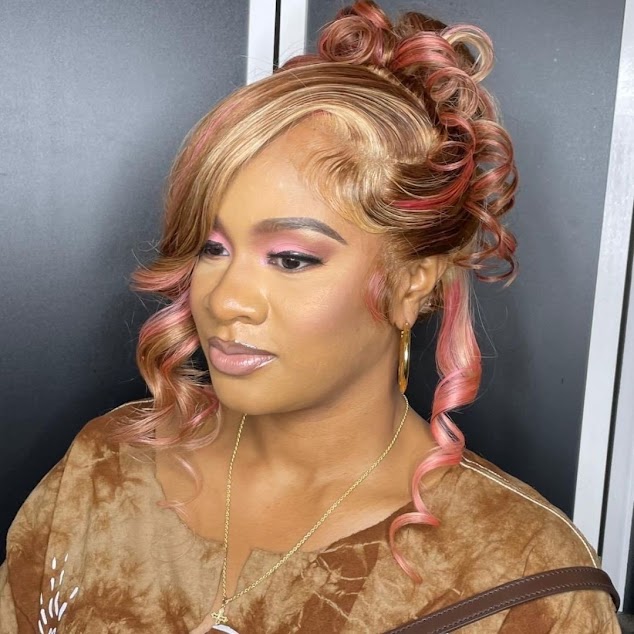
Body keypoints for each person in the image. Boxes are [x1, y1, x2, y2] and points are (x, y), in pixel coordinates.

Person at [0, 2, 620, 632]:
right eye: (212, 248)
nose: (225, 300)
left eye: (291, 258)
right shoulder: (107, 466)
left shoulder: (525, 579)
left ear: (412, 282)